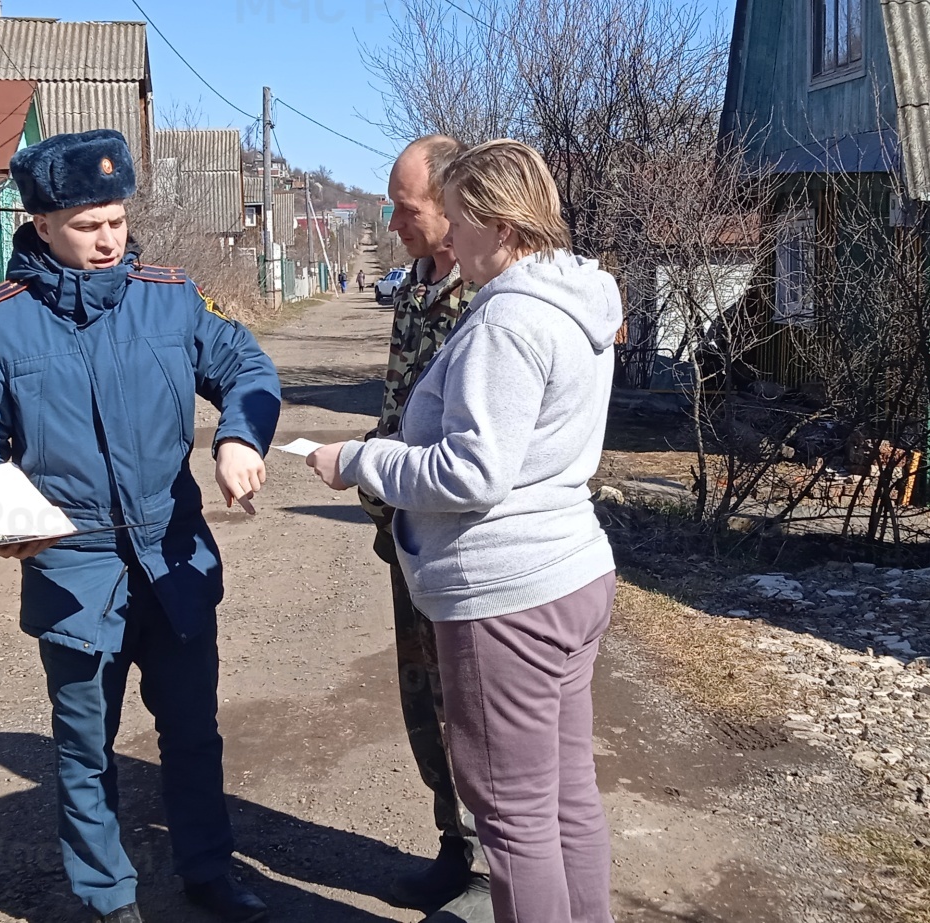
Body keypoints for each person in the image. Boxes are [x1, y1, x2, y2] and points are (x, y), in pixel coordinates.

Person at [0, 128, 281, 923]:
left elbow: (246, 368)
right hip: (73, 564)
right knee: (85, 745)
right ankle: (106, 895)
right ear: (43, 223)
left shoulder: (168, 295)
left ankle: (209, 873)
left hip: (174, 556)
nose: (109, 239)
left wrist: (236, 436)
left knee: (193, 732)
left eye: (117, 220)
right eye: (89, 226)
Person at [308, 138, 619, 923]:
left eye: (458, 215)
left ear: (493, 221)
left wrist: (362, 460)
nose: (450, 230)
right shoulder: (576, 297)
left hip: (507, 592)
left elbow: (473, 473)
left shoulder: (508, 319)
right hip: (570, 568)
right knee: (566, 794)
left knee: (513, 821)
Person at [345, 135, 494, 922]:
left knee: (472, 707)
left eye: (408, 209)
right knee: (422, 703)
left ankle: (488, 874)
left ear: (453, 205)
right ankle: (453, 848)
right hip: (403, 532)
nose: (396, 221)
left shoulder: (490, 294)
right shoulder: (416, 285)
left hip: (461, 542)